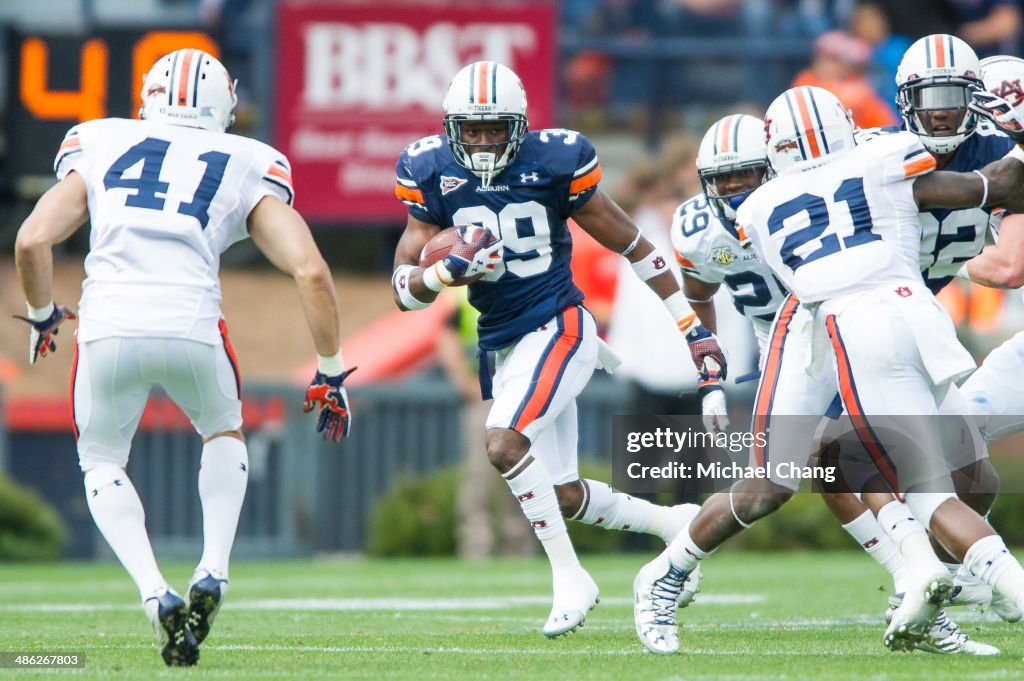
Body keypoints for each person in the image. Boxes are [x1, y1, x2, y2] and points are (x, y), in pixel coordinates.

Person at [632, 84, 1024, 656]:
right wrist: (710, 368)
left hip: (847, 313)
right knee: (786, 480)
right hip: (803, 329)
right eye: (726, 181)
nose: (740, 192)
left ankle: (921, 587)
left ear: (776, 158)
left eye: (749, 175)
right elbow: (985, 185)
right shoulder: (876, 158)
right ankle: (664, 575)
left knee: (954, 474)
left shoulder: (780, 198)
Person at [13, 49, 354, 666]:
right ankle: (214, 570)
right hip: (193, 324)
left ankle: (153, 594)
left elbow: (33, 238)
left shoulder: (100, 139)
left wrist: (42, 316)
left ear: (148, 96)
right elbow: (312, 270)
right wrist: (330, 369)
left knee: (101, 461)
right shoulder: (248, 159)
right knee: (223, 432)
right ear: (226, 105)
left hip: (108, 325)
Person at [389, 60, 724, 637]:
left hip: (560, 325)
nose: (487, 140)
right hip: (505, 340)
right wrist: (444, 274)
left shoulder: (555, 162)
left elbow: (638, 247)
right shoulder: (430, 171)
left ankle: (570, 577)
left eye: (498, 128)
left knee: (502, 442)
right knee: (564, 493)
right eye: (474, 129)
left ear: (520, 126)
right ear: (452, 128)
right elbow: (403, 292)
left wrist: (692, 327)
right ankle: (678, 523)